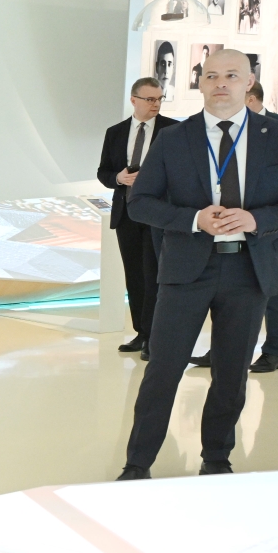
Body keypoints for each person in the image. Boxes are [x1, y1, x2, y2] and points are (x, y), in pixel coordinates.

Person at [117, 50, 278, 480]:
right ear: (200, 83)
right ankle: (137, 464)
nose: (221, 83)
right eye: (211, 75)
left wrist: (258, 220)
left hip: (248, 271)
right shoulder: (173, 139)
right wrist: (193, 219)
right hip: (186, 271)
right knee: (163, 371)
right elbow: (141, 203)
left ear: (249, 81)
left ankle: (217, 459)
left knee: (231, 374)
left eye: (232, 75)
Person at [190, 81, 278, 373]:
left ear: (250, 98)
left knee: (274, 290)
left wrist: (273, 220)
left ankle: (272, 352)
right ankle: (221, 349)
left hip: (270, 230)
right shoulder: (215, 130)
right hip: (223, 231)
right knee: (226, 293)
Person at [96, 77, 178, 355]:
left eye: (159, 99)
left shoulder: (173, 130)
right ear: (134, 100)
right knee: (134, 276)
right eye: (150, 99)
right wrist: (118, 177)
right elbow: (104, 172)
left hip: (157, 214)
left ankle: (156, 337)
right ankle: (141, 334)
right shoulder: (116, 132)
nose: (155, 104)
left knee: (155, 275)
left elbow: (182, 173)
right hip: (127, 214)